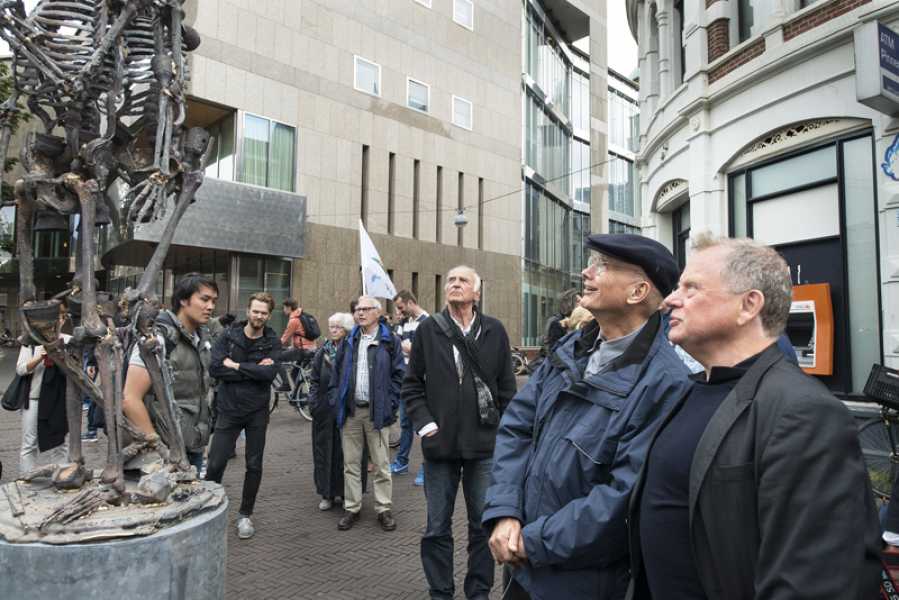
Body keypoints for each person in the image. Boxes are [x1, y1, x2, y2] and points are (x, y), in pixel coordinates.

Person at [627, 235, 881, 599]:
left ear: (748, 305)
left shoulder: (804, 412)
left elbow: (814, 581)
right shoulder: (690, 390)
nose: (670, 300)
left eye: (692, 287)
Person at [482, 234, 692, 600]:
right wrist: (505, 513)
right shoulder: (571, 347)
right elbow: (517, 426)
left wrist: (530, 541)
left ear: (638, 292)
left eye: (603, 266)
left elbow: (621, 498)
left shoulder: (664, 382)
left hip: (578, 582)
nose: (586, 272)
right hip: (522, 569)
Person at [403, 266, 517, 600]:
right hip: (440, 447)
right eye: (451, 280)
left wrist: (508, 437)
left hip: (484, 446)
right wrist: (426, 426)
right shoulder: (428, 329)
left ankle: (478, 593)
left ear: (477, 293)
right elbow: (412, 386)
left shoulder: (494, 330)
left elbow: (507, 390)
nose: (455, 284)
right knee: (436, 528)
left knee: (483, 527)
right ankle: (441, 593)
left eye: (463, 280)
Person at [122, 273, 218, 473]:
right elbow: (130, 399)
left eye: (213, 301)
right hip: (161, 454)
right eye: (204, 299)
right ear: (184, 299)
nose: (211, 307)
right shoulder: (158, 337)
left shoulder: (202, 338)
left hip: (192, 445)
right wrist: (159, 450)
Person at [204, 292, 281, 540]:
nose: (258, 316)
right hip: (228, 409)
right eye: (255, 311)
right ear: (248, 311)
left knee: (254, 464)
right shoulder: (229, 335)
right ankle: (208, 511)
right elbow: (215, 368)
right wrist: (254, 369)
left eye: (263, 313)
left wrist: (236, 366)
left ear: (269, 315)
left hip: (257, 411)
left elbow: (268, 376)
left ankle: (245, 514)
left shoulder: (272, 341)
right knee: (215, 462)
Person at [329, 295, 404, 532]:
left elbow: (399, 375)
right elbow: (336, 374)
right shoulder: (349, 340)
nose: (359, 313)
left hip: (377, 413)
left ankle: (383, 509)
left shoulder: (389, 340)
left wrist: (390, 404)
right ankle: (352, 507)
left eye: (365, 309)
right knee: (350, 464)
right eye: (357, 309)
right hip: (350, 413)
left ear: (377, 312)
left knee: (381, 464)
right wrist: (335, 400)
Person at [16, 303, 71, 474]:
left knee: (61, 441)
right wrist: (41, 356)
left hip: (58, 399)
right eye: (57, 317)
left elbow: (75, 370)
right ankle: (26, 478)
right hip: (34, 398)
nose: (59, 321)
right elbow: (21, 369)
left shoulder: (67, 340)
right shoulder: (31, 341)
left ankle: (63, 476)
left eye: (62, 317)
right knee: (29, 443)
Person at [308, 312, 354, 511]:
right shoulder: (322, 351)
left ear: (346, 330)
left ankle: (344, 494)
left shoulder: (352, 351)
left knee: (344, 454)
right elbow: (314, 380)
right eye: (331, 326)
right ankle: (326, 493)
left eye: (337, 327)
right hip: (324, 411)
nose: (333, 330)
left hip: (344, 410)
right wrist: (314, 403)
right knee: (323, 452)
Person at [390, 289, 429, 483]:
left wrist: (407, 346)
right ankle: (402, 462)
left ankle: (426, 468)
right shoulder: (404, 323)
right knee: (405, 423)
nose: (399, 311)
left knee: (423, 425)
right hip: (406, 379)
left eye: (400, 307)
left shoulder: (427, 323)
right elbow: (396, 346)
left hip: (423, 381)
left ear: (410, 302)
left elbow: (423, 352)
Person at [539, 288, 578, 359]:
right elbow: (551, 350)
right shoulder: (556, 323)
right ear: (570, 303)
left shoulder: (575, 321)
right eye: (578, 301)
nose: (582, 304)